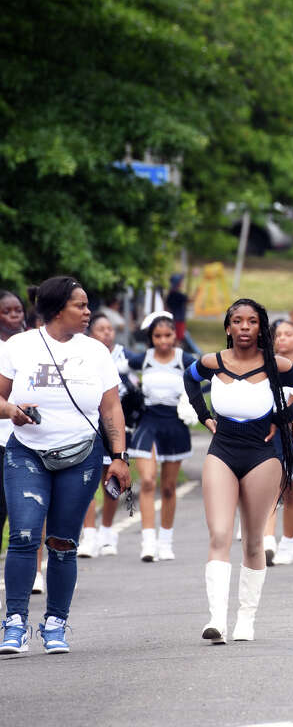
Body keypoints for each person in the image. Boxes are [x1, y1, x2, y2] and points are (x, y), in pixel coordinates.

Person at [0, 276, 132, 654]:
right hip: (26, 453)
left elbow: (111, 407)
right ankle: (14, 624)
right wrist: (11, 410)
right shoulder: (19, 347)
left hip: (81, 457)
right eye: (81, 305)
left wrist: (120, 458)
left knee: (62, 542)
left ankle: (55, 623)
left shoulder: (96, 352)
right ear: (58, 308)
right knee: (24, 536)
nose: (88, 312)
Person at [184, 299, 293, 643]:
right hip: (222, 451)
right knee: (219, 534)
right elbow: (189, 381)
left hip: (263, 455)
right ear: (228, 327)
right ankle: (217, 619)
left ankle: (246, 618)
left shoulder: (277, 364)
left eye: (251, 321)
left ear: (261, 328)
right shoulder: (212, 362)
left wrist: (282, 419)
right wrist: (204, 417)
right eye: (237, 321)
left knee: (252, 540)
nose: (244, 327)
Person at [125, 314, 196, 562]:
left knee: (167, 487)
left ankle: (165, 542)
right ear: (151, 338)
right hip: (148, 421)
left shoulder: (183, 359)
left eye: (168, 335)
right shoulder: (142, 359)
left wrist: (192, 402)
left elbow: (204, 376)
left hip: (174, 424)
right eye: (158, 336)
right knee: (146, 481)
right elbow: (118, 371)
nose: (163, 341)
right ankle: (147, 542)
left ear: (175, 336)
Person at [78, 312, 128, 557]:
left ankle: (107, 532)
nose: (107, 333)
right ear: (91, 333)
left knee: (111, 482)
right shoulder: (83, 354)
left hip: (112, 427)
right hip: (88, 426)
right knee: (87, 482)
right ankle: (89, 534)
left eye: (110, 329)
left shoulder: (123, 355)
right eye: (101, 329)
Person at [264, 318, 293, 565]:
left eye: (287, 334)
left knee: (292, 491)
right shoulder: (265, 365)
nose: (281, 338)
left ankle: (288, 544)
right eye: (277, 334)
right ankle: (268, 540)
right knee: (271, 487)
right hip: (270, 429)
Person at [0, 290, 26, 554]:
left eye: (17, 309)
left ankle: (31, 571)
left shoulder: (29, 345)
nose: (14, 315)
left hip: (25, 440)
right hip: (1, 438)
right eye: (6, 311)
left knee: (24, 510)